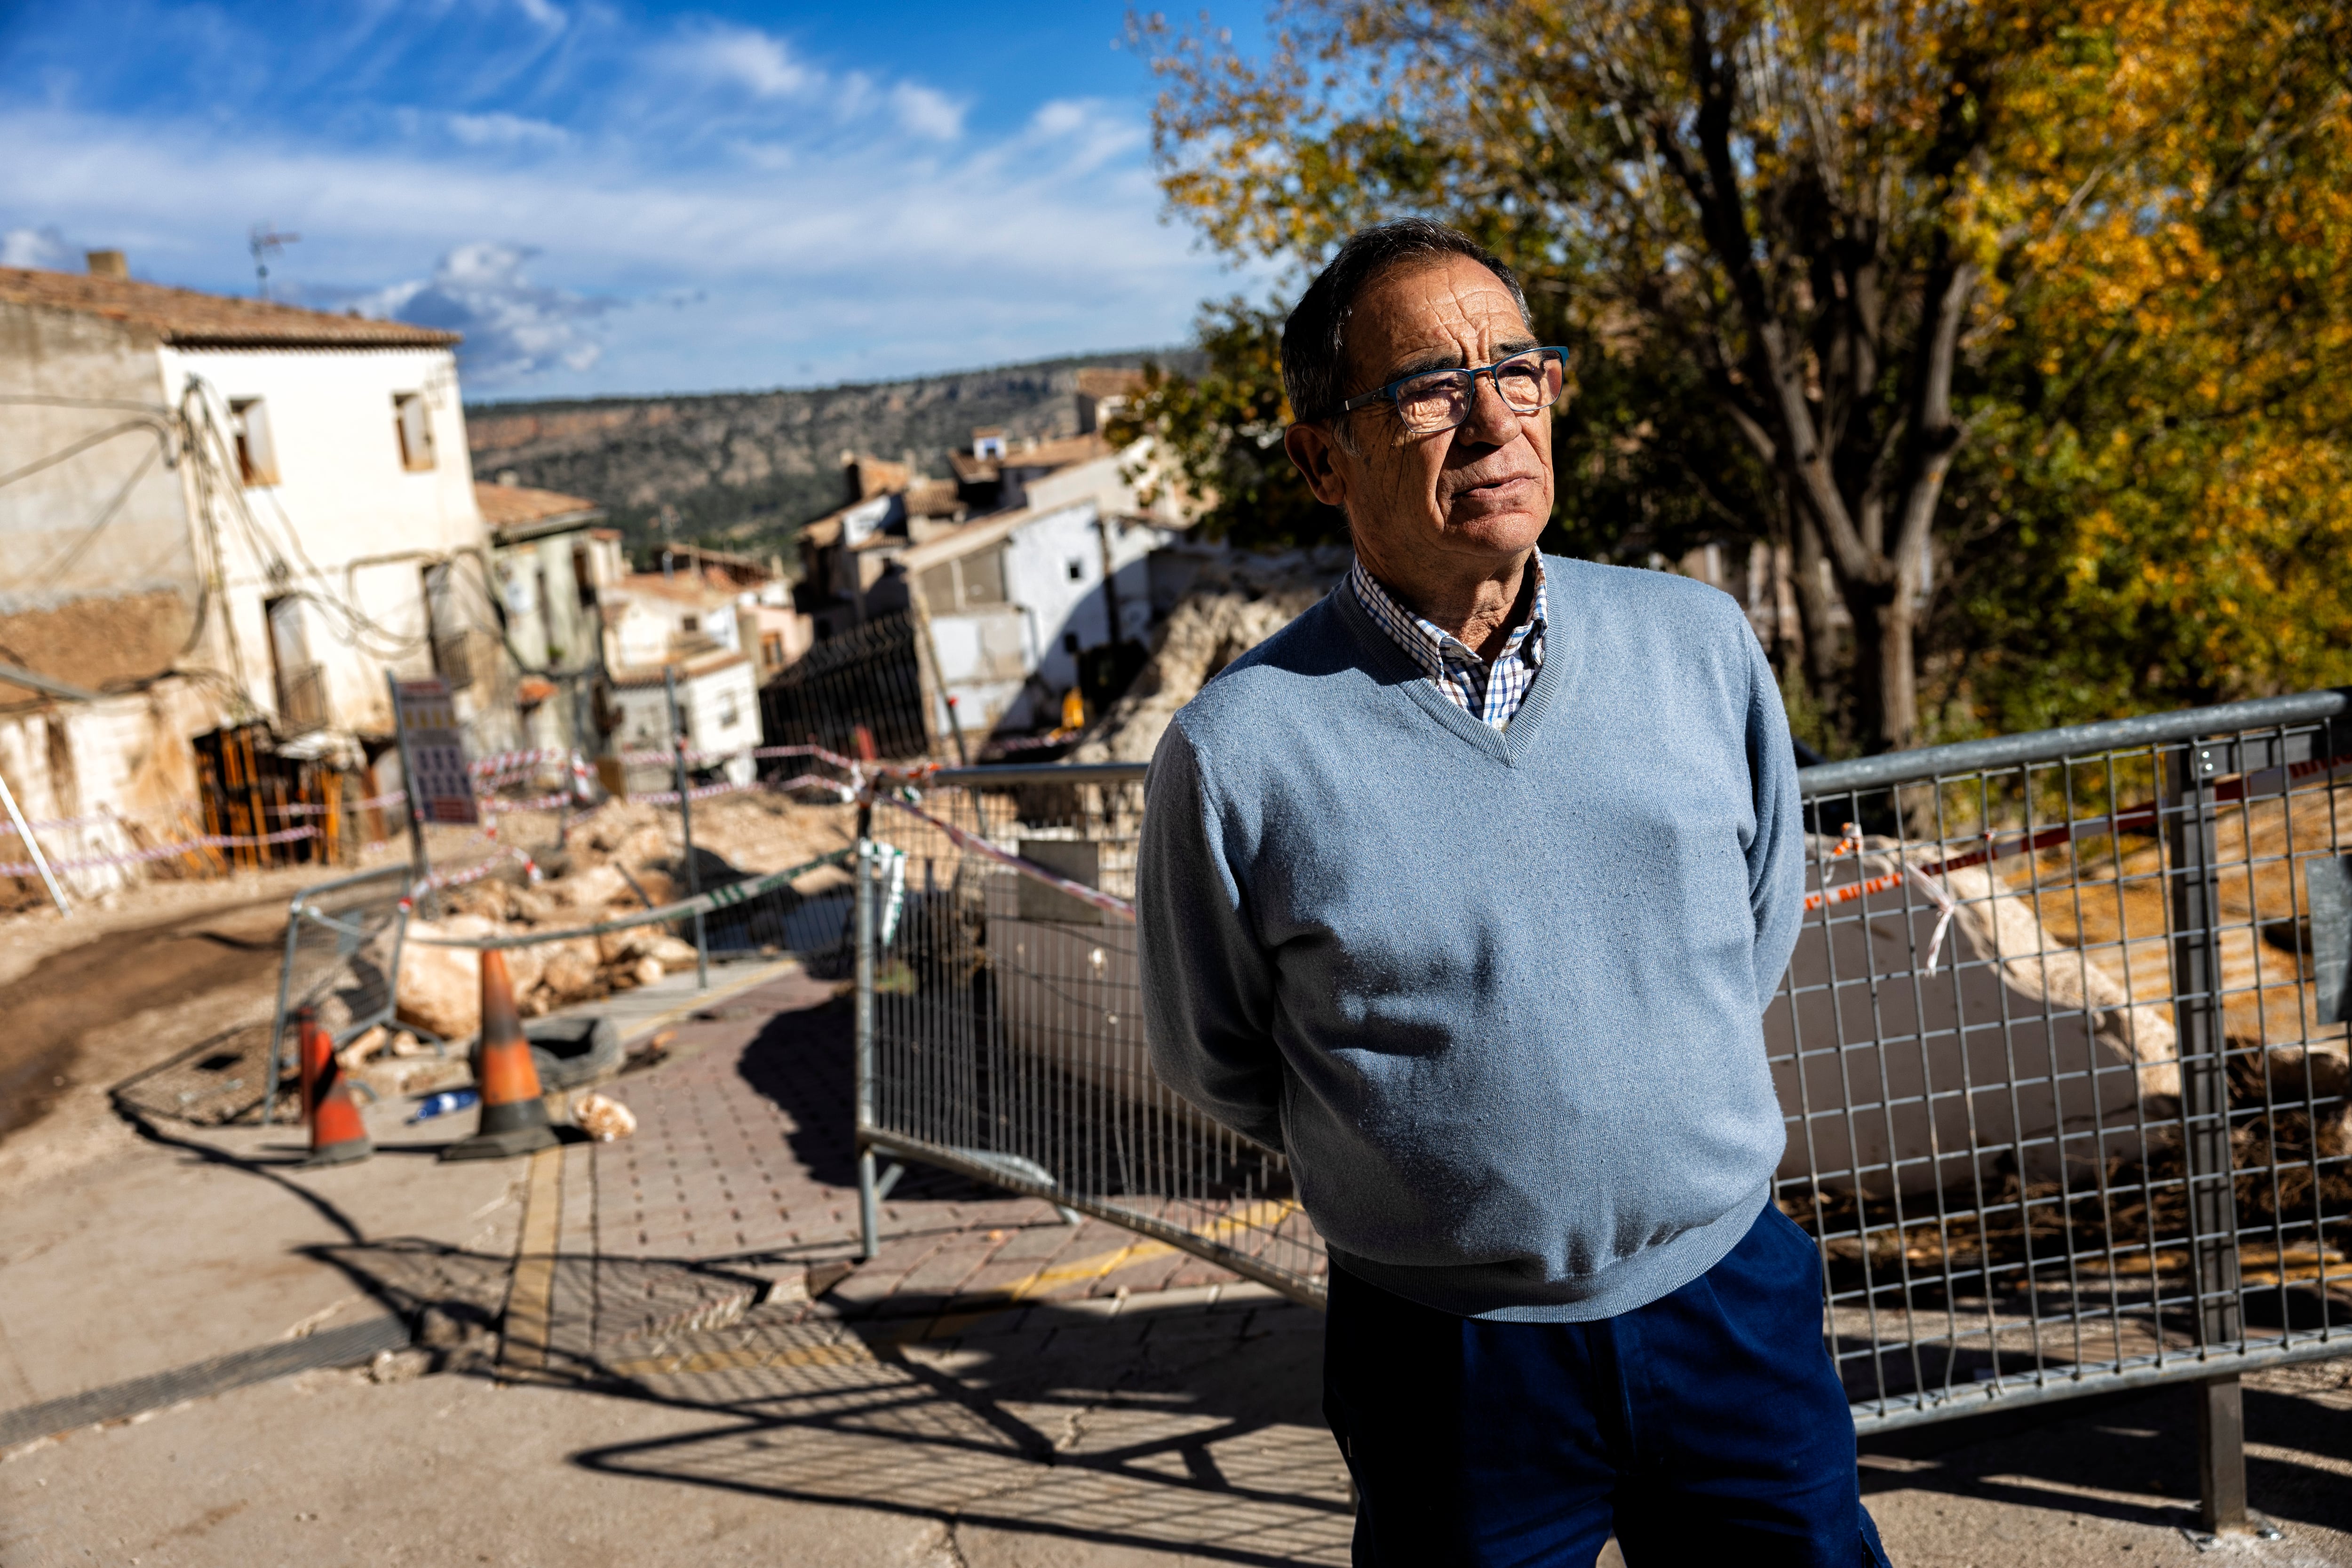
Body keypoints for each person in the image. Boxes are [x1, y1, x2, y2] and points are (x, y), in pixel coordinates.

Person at [1136, 219, 1889, 1566]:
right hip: (1448, 1364)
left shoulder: (1698, 644)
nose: (1494, 421)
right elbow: (1223, 1056)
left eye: (1520, 369)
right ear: (1323, 457)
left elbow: (1752, 926)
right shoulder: (1237, 748)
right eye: (1429, 388)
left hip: (1732, 1309)